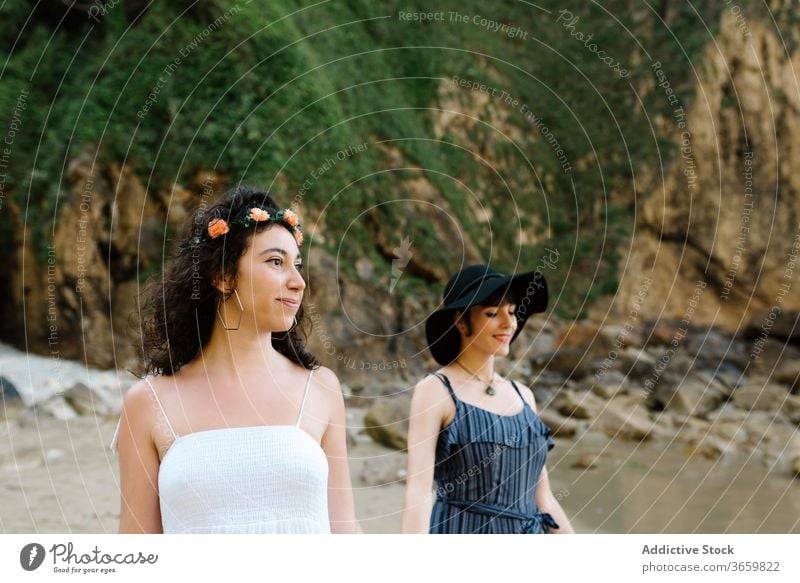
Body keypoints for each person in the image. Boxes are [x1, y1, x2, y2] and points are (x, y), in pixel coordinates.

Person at [110, 186, 361, 534]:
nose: (298, 282)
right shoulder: (148, 402)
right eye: (276, 262)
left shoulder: (319, 387)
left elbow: (346, 531)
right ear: (223, 277)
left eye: (297, 265)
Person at [401, 264, 574, 534]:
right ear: (460, 321)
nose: (509, 323)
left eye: (513, 312)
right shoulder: (436, 390)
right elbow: (418, 492)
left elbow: (544, 499)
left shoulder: (523, 395)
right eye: (493, 313)